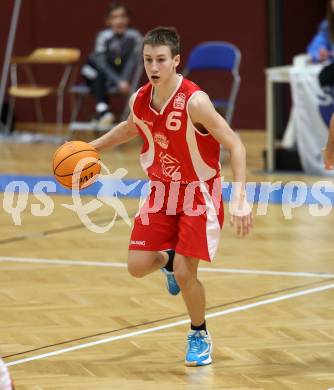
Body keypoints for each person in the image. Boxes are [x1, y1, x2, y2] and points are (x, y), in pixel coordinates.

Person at [90, 27, 253, 366]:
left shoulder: (196, 101)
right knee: (136, 268)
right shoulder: (141, 98)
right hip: (161, 192)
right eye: (148, 59)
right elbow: (130, 127)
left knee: (184, 272)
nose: (154, 66)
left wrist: (240, 197)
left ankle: (199, 332)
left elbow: (236, 144)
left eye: (161, 60)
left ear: (176, 61)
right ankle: (165, 258)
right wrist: (91, 148)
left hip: (199, 194)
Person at [81, 2, 142, 128]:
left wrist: (124, 80)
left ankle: (102, 112)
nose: (119, 20)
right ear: (108, 21)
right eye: (115, 17)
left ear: (128, 19)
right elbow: (101, 63)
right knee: (97, 75)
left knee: (101, 79)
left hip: (112, 77)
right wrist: (119, 81)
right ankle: (103, 111)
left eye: (122, 16)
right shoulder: (103, 37)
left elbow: (132, 61)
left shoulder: (135, 37)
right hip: (92, 70)